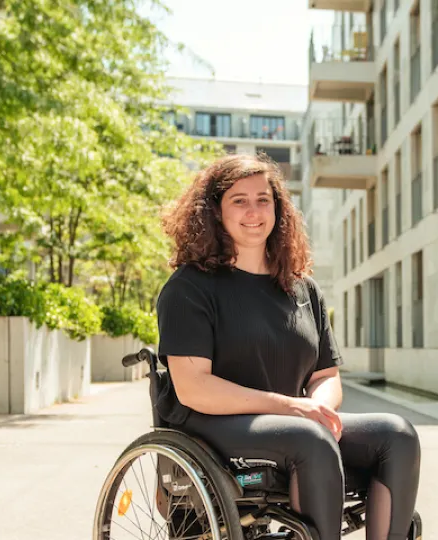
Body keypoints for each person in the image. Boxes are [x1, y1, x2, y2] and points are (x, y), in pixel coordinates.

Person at [154, 153, 421, 540]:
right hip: (214, 425)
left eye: (263, 199)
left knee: (396, 433)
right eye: (239, 200)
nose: (254, 211)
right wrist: (292, 408)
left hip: (291, 423)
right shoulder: (190, 288)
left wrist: (317, 408)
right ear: (214, 211)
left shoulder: (302, 288)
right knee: (308, 440)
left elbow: (326, 376)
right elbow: (195, 387)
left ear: (278, 208)